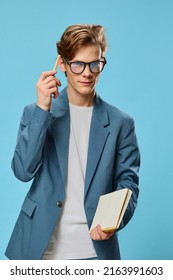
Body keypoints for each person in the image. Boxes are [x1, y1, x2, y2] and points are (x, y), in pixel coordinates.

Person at [5, 24, 140, 260]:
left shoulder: (121, 123)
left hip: (95, 251)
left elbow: (128, 183)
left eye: (94, 64)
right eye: (77, 64)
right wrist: (42, 110)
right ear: (63, 65)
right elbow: (22, 171)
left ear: (102, 63)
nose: (87, 73)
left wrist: (114, 220)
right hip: (39, 249)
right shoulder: (36, 113)